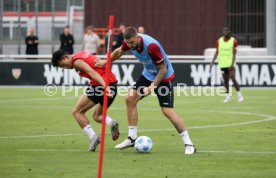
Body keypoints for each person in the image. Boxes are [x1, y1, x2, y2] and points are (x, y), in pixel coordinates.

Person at [95, 27, 196, 155]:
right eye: (128, 43)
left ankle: (189, 143)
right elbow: (119, 51)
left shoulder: (151, 47)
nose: (130, 45)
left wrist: (152, 86)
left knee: (167, 111)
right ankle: (132, 138)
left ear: (138, 37)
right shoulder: (128, 43)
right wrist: (105, 62)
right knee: (129, 99)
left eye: (132, 42)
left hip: (164, 77)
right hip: (148, 74)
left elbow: (163, 69)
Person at [51, 50, 120, 152]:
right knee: (97, 116)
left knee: (77, 112)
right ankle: (111, 123)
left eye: (63, 65)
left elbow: (92, 72)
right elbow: (97, 63)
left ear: (65, 57)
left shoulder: (76, 61)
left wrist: (105, 87)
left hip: (101, 85)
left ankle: (93, 137)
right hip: (113, 84)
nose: (65, 68)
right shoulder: (81, 53)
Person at [210, 27, 244, 103]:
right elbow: (217, 52)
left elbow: (234, 54)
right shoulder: (219, 41)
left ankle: (239, 95)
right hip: (222, 64)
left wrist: (232, 64)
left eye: (227, 30)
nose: (226, 32)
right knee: (225, 81)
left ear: (230, 32)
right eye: (224, 30)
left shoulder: (233, 41)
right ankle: (227, 97)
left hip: (230, 64)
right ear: (222, 32)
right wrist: (212, 62)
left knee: (233, 78)